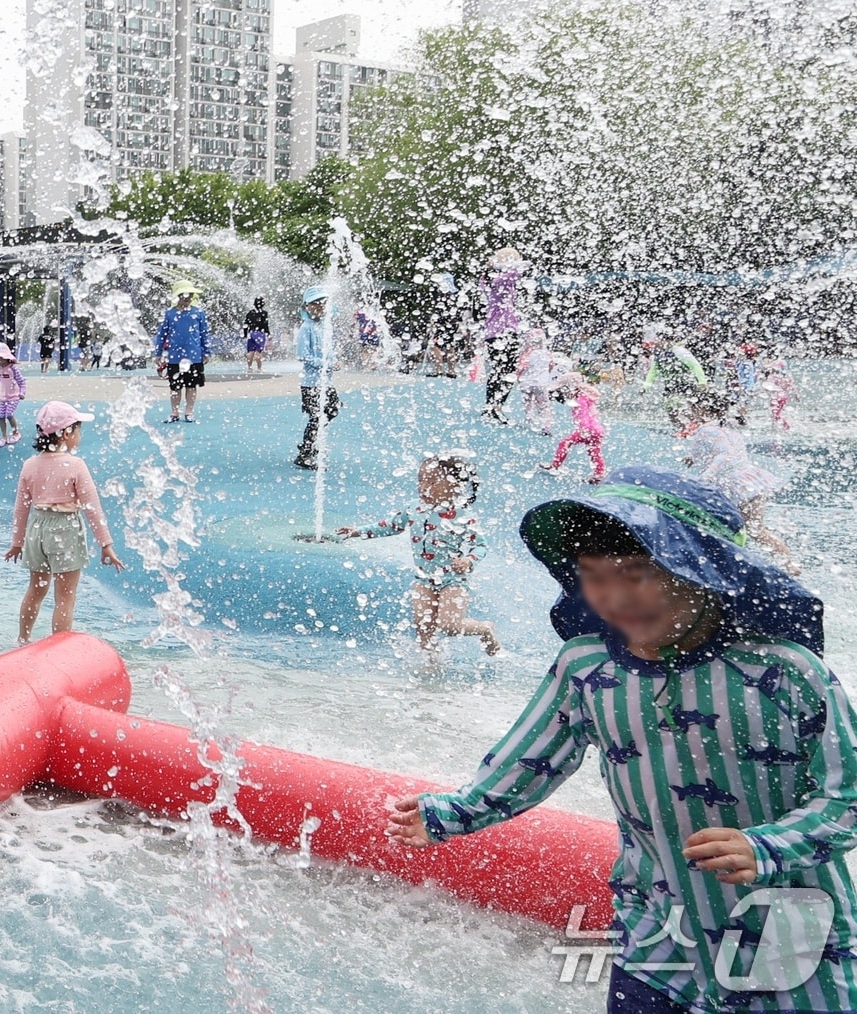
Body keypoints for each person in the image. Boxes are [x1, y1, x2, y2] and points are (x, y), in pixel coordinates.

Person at [387, 467, 856, 1014]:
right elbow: (533, 760)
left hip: (782, 929)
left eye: (635, 574)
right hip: (656, 928)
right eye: (593, 575)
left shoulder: (785, 672)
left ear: (700, 570)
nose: (613, 596)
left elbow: (848, 793)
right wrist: (454, 812)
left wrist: (768, 846)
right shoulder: (586, 667)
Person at [337, 454, 498, 654]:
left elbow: (481, 545)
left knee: (450, 626)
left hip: (454, 580)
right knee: (423, 625)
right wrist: (359, 531)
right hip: (423, 579)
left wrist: (468, 560)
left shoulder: (462, 516)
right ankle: (430, 667)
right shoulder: (414, 508)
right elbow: (392, 525)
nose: (424, 487)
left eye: (432, 482)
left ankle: (484, 629)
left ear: (454, 486)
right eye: (421, 480)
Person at [6, 401, 125, 645]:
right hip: (65, 529)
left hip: (37, 529)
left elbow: (21, 509)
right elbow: (93, 508)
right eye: (78, 430)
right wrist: (106, 544)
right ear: (67, 433)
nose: (79, 436)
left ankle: (22, 639)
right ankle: (59, 647)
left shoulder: (30, 465)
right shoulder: (76, 466)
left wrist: (17, 543)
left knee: (36, 590)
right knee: (65, 597)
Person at [684, 391, 796, 571]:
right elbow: (717, 451)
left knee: (715, 527)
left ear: (702, 408)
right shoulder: (728, 427)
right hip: (751, 483)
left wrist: (704, 478)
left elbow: (724, 455)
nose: (688, 411)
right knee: (757, 531)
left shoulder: (705, 430)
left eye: (690, 407)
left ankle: (720, 567)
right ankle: (788, 564)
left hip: (734, 488)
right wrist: (692, 457)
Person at [153, 280, 211, 424]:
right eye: (185, 295)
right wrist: (158, 353)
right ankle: (174, 412)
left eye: (190, 295)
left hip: (194, 356)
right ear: (178, 296)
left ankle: (189, 411)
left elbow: (204, 334)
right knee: (175, 386)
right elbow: (162, 335)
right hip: (175, 357)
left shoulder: (198, 313)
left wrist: (206, 351)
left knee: (191, 385)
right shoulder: (170, 314)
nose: (188, 297)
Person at [480, 247, 525, 424]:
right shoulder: (502, 281)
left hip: (492, 333)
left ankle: (490, 406)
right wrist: (508, 259)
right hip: (505, 331)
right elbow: (520, 269)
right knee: (508, 371)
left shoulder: (487, 281)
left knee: (497, 371)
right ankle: (496, 407)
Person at [294, 286, 338, 470]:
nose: (320, 307)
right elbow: (302, 355)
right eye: (315, 304)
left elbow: (330, 351)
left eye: (322, 303)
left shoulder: (324, 327)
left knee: (332, 409)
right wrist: (325, 364)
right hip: (311, 383)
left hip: (325, 382)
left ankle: (311, 443)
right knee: (316, 416)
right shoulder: (306, 328)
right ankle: (305, 453)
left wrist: (334, 360)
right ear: (306, 307)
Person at [539, 371, 607, 484]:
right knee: (594, 452)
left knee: (564, 443)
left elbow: (583, 415)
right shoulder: (587, 395)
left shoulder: (580, 399)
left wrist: (583, 430)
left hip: (587, 429)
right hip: (597, 429)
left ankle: (555, 466)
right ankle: (599, 474)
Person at [644, 338, 709, 433]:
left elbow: (695, 366)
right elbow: (653, 372)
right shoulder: (658, 355)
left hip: (687, 384)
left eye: (664, 341)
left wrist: (702, 382)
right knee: (669, 408)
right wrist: (645, 387)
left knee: (687, 406)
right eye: (659, 341)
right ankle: (682, 428)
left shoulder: (680, 352)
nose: (660, 343)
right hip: (671, 386)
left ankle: (698, 425)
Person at [516, 329, 558, 434]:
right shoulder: (547, 354)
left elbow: (519, 369)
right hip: (541, 383)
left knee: (528, 401)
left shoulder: (526, 354)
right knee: (544, 405)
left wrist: (518, 378)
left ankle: (529, 419)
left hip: (527, 383)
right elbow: (551, 366)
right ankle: (546, 426)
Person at [0, 341, 27, 447]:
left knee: (9, 414)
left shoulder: (13, 368)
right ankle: (4, 436)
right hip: (4, 397)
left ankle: (16, 433)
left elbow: (21, 381)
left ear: (6, 357)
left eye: (0, 358)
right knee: (1, 416)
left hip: (14, 396)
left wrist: (22, 393)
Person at [761, 355, 796, 430]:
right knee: (779, 413)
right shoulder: (787, 377)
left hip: (776, 398)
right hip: (784, 397)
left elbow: (767, 387)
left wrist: (756, 393)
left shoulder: (773, 377)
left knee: (776, 414)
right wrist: (796, 396)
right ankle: (778, 427)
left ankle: (785, 426)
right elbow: (792, 387)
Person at [243, 297, 270, 374]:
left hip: (251, 333)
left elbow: (245, 324)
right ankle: (259, 368)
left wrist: (245, 334)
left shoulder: (250, 313)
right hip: (260, 334)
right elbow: (265, 325)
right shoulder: (264, 313)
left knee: (250, 352)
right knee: (258, 352)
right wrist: (268, 334)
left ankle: (249, 368)